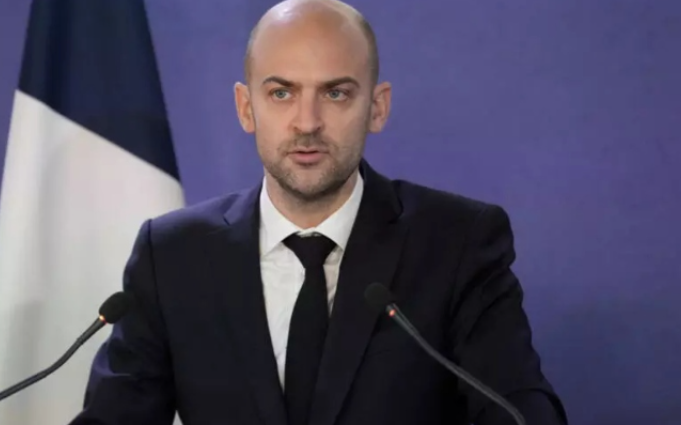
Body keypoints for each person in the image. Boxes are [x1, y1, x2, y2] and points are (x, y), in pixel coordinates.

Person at [70, 0, 568, 424]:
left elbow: (519, 409)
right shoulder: (173, 255)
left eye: (335, 93)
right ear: (246, 107)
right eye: (281, 93)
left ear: (377, 107)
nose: (307, 122)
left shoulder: (458, 243)